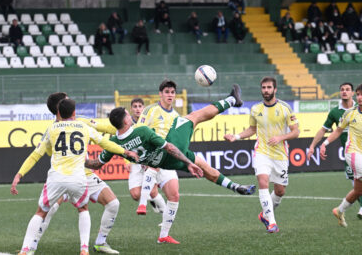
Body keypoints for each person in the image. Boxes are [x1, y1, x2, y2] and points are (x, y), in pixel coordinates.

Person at [86, 84, 256, 244]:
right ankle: (232, 100)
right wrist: (188, 162)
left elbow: (95, 164)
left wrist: (80, 161)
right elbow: (169, 147)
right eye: (128, 114)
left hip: (165, 163)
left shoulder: (113, 144)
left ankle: (235, 187)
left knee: (203, 167)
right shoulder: (142, 131)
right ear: (125, 121)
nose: (131, 115)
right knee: (195, 116)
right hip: (169, 151)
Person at [25, 92, 136, 255]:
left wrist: (127, 127)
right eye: (67, 99)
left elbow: (104, 128)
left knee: (113, 204)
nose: (70, 100)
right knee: (49, 209)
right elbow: (45, 152)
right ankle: (31, 246)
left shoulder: (80, 121)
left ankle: (100, 242)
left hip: (85, 176)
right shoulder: (52, 130)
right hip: (64, 175)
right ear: (59, 107)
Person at [11, 99, 109, 255]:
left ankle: (27, 248)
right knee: (61, 209)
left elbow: (37, 154)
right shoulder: (63, 126)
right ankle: (80, 248)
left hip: (69, 175)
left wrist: (19, 174)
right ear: (60, 109)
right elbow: (44, 153)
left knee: (44, 210)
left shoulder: (57, 127)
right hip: (76, 175)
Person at [224, 77, 300, 233]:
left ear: (275, 89)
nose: (266, 90)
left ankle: (265, 215)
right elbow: (252, 130)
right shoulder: (255, 109)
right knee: (263, 181)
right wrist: (236, 136)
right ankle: (272, 222)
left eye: (269, 87)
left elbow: (296, 132)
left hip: (280, 155)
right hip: (262, 152)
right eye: (264, 87)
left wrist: (280, 137)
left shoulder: (285, 108)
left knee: (280, 191)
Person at [308, 83, 362, 219]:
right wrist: (318, 145)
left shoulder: (353, 109)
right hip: (353, 153)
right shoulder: (344, 113)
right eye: (342, 90)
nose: (344, 92)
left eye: (347, 89)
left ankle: (339, 210)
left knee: (358, 189)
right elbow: (332, 131)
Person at [135, 80, 182, 218]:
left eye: (172, 92)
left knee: (174, 195)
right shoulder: (151, 110)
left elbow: (176, 140)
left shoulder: (176, 116)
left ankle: (164, 235)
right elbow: (139, 131)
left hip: (167, 157)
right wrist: (141, 153)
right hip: (151, 153)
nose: (170, 95)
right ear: (160, 94)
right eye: (167, 92)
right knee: (153, 165)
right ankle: (142, 204)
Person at [127, 98, 167, 214]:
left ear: (143, 108)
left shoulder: (148, 121)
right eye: (135, 106)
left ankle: (165, 215)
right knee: (135, 195)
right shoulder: (128, 123)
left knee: (153, 191)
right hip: (135, 161)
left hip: (148, 160)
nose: (137, 109)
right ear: (131, 109)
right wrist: (126, 162)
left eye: (140, 106)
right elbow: (124, 143)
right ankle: (150, 200)